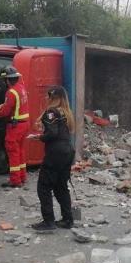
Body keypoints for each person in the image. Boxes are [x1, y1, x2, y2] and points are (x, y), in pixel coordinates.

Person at [29, 86, 75, 232]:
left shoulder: (51, 112)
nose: (46, 99)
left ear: (52, 97)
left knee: (43, 187)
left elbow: (52, 133)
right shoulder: (66, 112)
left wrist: (38, 137)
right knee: (61, 186)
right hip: (67, 152)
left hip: (55, 153)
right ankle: (68, 219)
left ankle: (49, 222)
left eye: (48, 96)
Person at [0, 66, 30, 188]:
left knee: (12, 152)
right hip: (24, 124)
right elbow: (14, 103)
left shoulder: (10, 92)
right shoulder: (21, 88)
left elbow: (5, 112)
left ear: (7, 80)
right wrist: (2, 105)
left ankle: (15, 180)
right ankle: (22, 176)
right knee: (20, 151)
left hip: (15, 126)